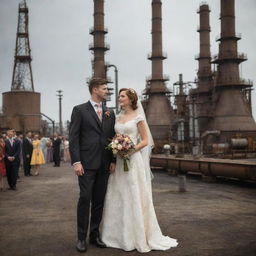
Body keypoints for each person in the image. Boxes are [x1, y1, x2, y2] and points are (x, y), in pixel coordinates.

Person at [101, 88, 178, 252]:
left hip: (133, 160)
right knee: (118, 194)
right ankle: (116, 236)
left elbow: (145, 141)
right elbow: (115, 137)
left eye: (122, 96)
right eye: (119, 96)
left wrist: (130, 150)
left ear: (130, 99)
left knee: (133, 194)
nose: (119, 98)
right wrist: (117, 147)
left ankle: (136, 236)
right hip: (120, 161)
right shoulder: (119, 117)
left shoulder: (138, 117)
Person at [69, 78, 116, 253]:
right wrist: (76, 161)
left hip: (104, 164)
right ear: (95, 89)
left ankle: (94, 235)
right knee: (85, 199)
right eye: (104, 88)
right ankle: (81, 238)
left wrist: (112, 160)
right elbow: (73, 137)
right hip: (86, 165)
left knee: (99, 202)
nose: (106, 91)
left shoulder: (109, 112)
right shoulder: (80, 110)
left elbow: (112, 138)